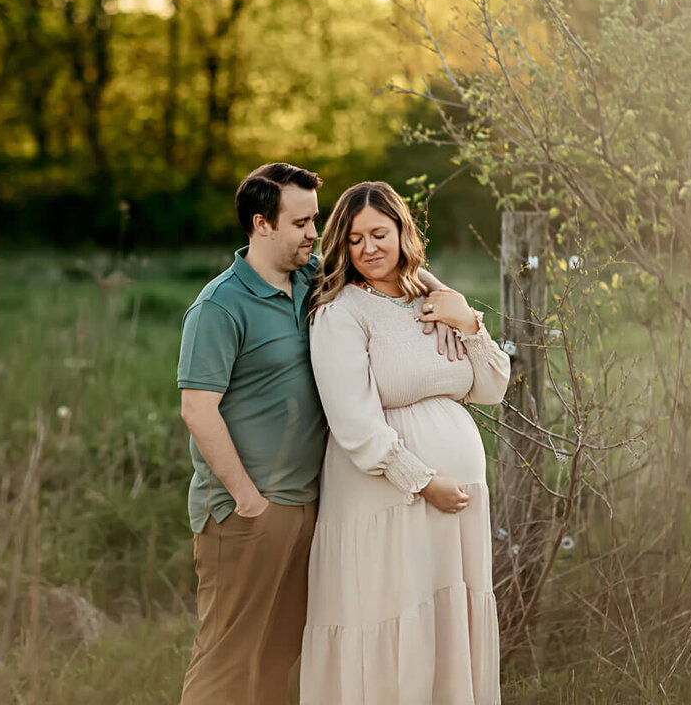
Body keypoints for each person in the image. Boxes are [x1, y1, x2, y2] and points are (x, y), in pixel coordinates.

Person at [176, 164, 460, 705]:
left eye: (315, 220)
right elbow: (197, 410)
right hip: (246, 512)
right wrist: (247, 500)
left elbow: (399, 263)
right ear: (261, 224)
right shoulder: (219, 306)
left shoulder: (312, 282)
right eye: (301, 222)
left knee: (280, 658)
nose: (314, 233)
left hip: (311, 503)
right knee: (228, 661)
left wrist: (450, 301)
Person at [301, 181, 512, 705]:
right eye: (353, 239)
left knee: (443, 620)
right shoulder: (339, 312)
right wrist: (423, 481)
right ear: (341, 248)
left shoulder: (433, 300)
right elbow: (354, 423)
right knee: (391, 616)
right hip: (389, 494)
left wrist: (468, 322)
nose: (368, 248)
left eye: (379, 233)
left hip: (452, 502)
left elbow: (491, 387)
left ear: (402, 232)